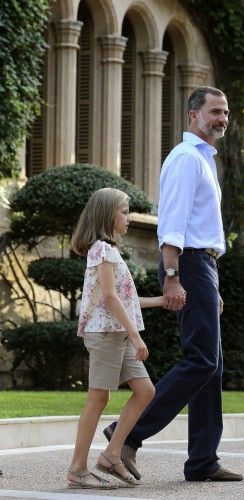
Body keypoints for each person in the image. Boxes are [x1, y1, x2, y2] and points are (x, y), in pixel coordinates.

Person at [103, 86, 243, 482]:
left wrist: (210, 285)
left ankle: (202, 460)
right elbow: (173, 224)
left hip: (204, 266)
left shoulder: (203, 159)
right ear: (193, 116)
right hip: (189, 263)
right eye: (215, 111)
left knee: (211, 367)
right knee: (201, 360)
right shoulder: (185, 159)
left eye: (226, 112)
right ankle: (126, 433)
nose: (222, 118)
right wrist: (171, 276)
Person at [67, 187, 164, 490]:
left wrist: (163, 301)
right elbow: (110, 298)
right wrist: (137, 338)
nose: (129, 218)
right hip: (106, 335)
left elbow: (126, 300)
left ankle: (111, 455)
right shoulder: (101, 249)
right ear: (108, 214)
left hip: (117, 334)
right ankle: (78, 470)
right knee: (98, 398)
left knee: (145, 391)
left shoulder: (110, 251)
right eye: (124, 211)